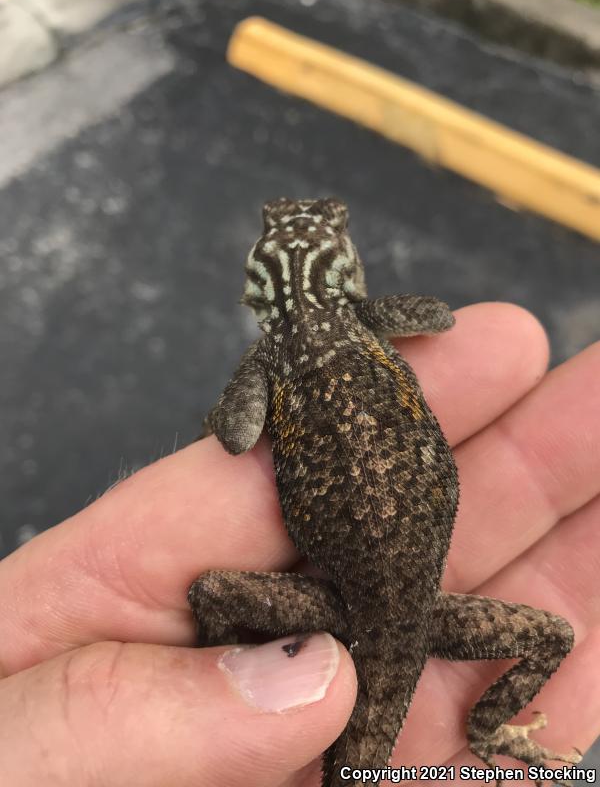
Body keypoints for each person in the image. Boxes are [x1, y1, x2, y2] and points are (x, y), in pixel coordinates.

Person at [0, 303, 597, 786]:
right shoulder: (359, 319)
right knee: (556, 635)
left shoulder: (272, 352)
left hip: (368, 609)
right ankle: (489, 730)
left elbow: (231, 430)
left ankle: (221, 661)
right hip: (412, 612)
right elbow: (438, 317)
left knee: (213, 592)